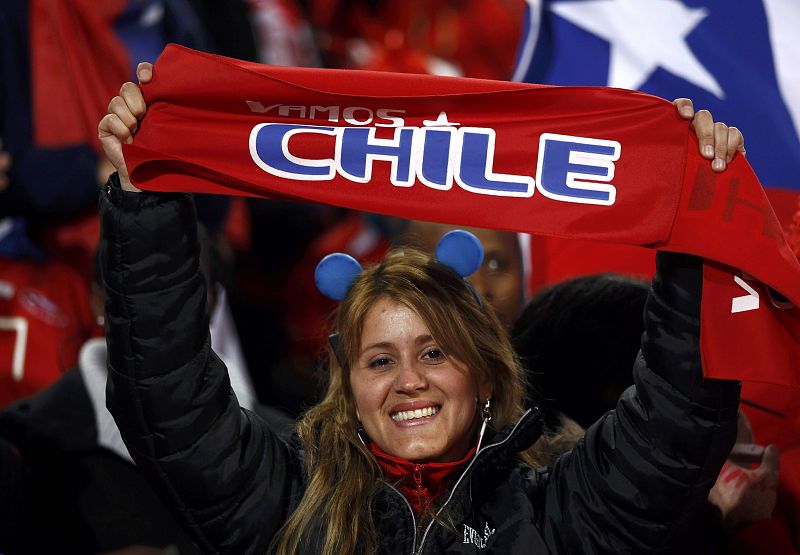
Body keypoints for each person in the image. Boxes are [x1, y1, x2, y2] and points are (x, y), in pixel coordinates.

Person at [96, 62, 745, 554]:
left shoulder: (556, 514)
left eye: (434, 351)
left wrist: (691, 230)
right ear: (348, 388)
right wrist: (143, 202)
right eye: (380, 359)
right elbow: (170, 400)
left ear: (487, 374)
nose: (409, 379)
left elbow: (674, 428)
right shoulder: (289, 506)